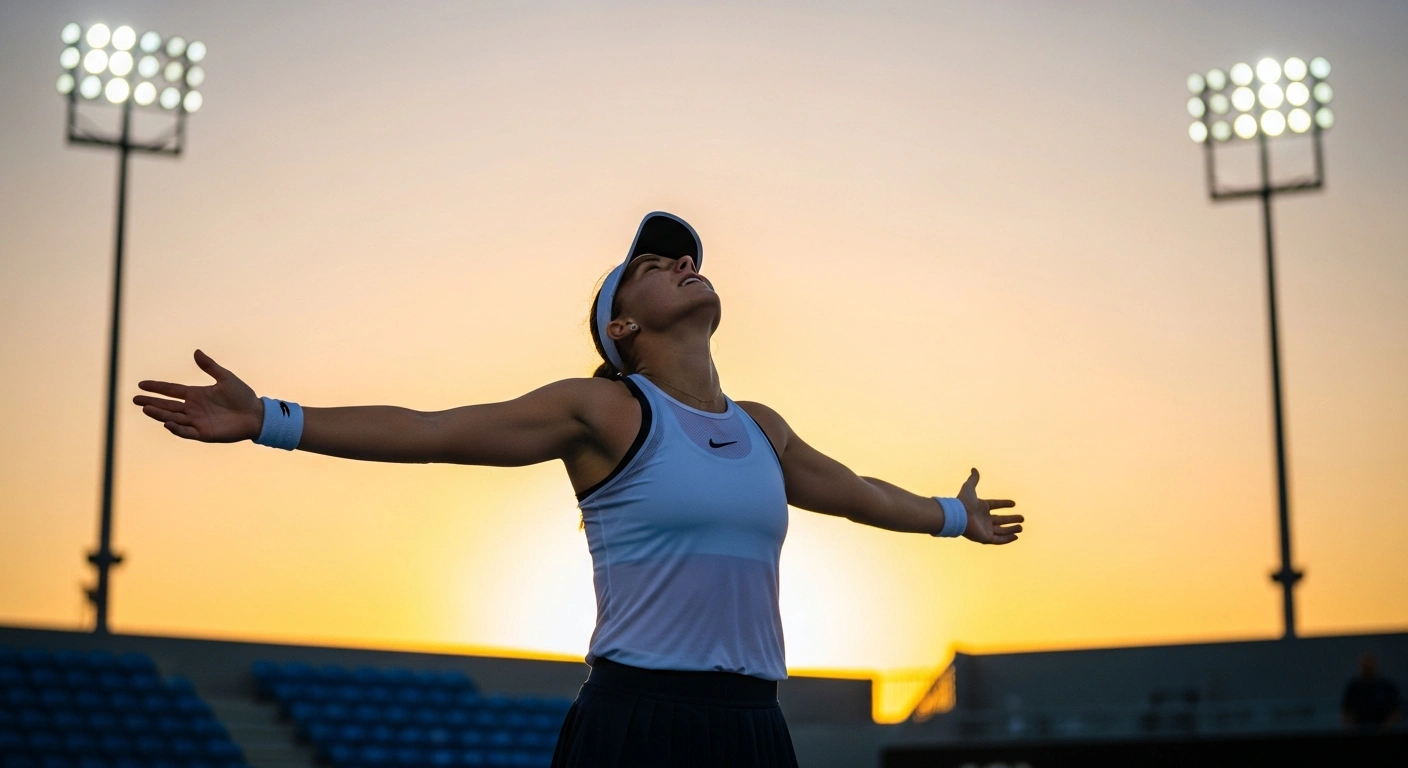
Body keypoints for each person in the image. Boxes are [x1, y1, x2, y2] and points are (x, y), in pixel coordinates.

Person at [131, 211, 1025, 767]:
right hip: (635, 723)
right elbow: (433, 431)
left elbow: (858, 492)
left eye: (686, 258)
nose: (682, 264)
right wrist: (271, 420)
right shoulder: (601, 409)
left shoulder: (763, 425)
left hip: (755, 726)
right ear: (622, 325)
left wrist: (952, 516)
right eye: (654, 264)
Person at [1341, 652, 1402, 729]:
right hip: (1359, 731)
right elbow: (1346, 712)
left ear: (1375, 666)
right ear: (1361, 667)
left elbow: (1396, 710)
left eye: (1370, 667)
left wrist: (1386, 728)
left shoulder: (1387, 687)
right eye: (1365, 667)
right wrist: (1352, 728)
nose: (1368, 669)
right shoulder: (1354, 688)